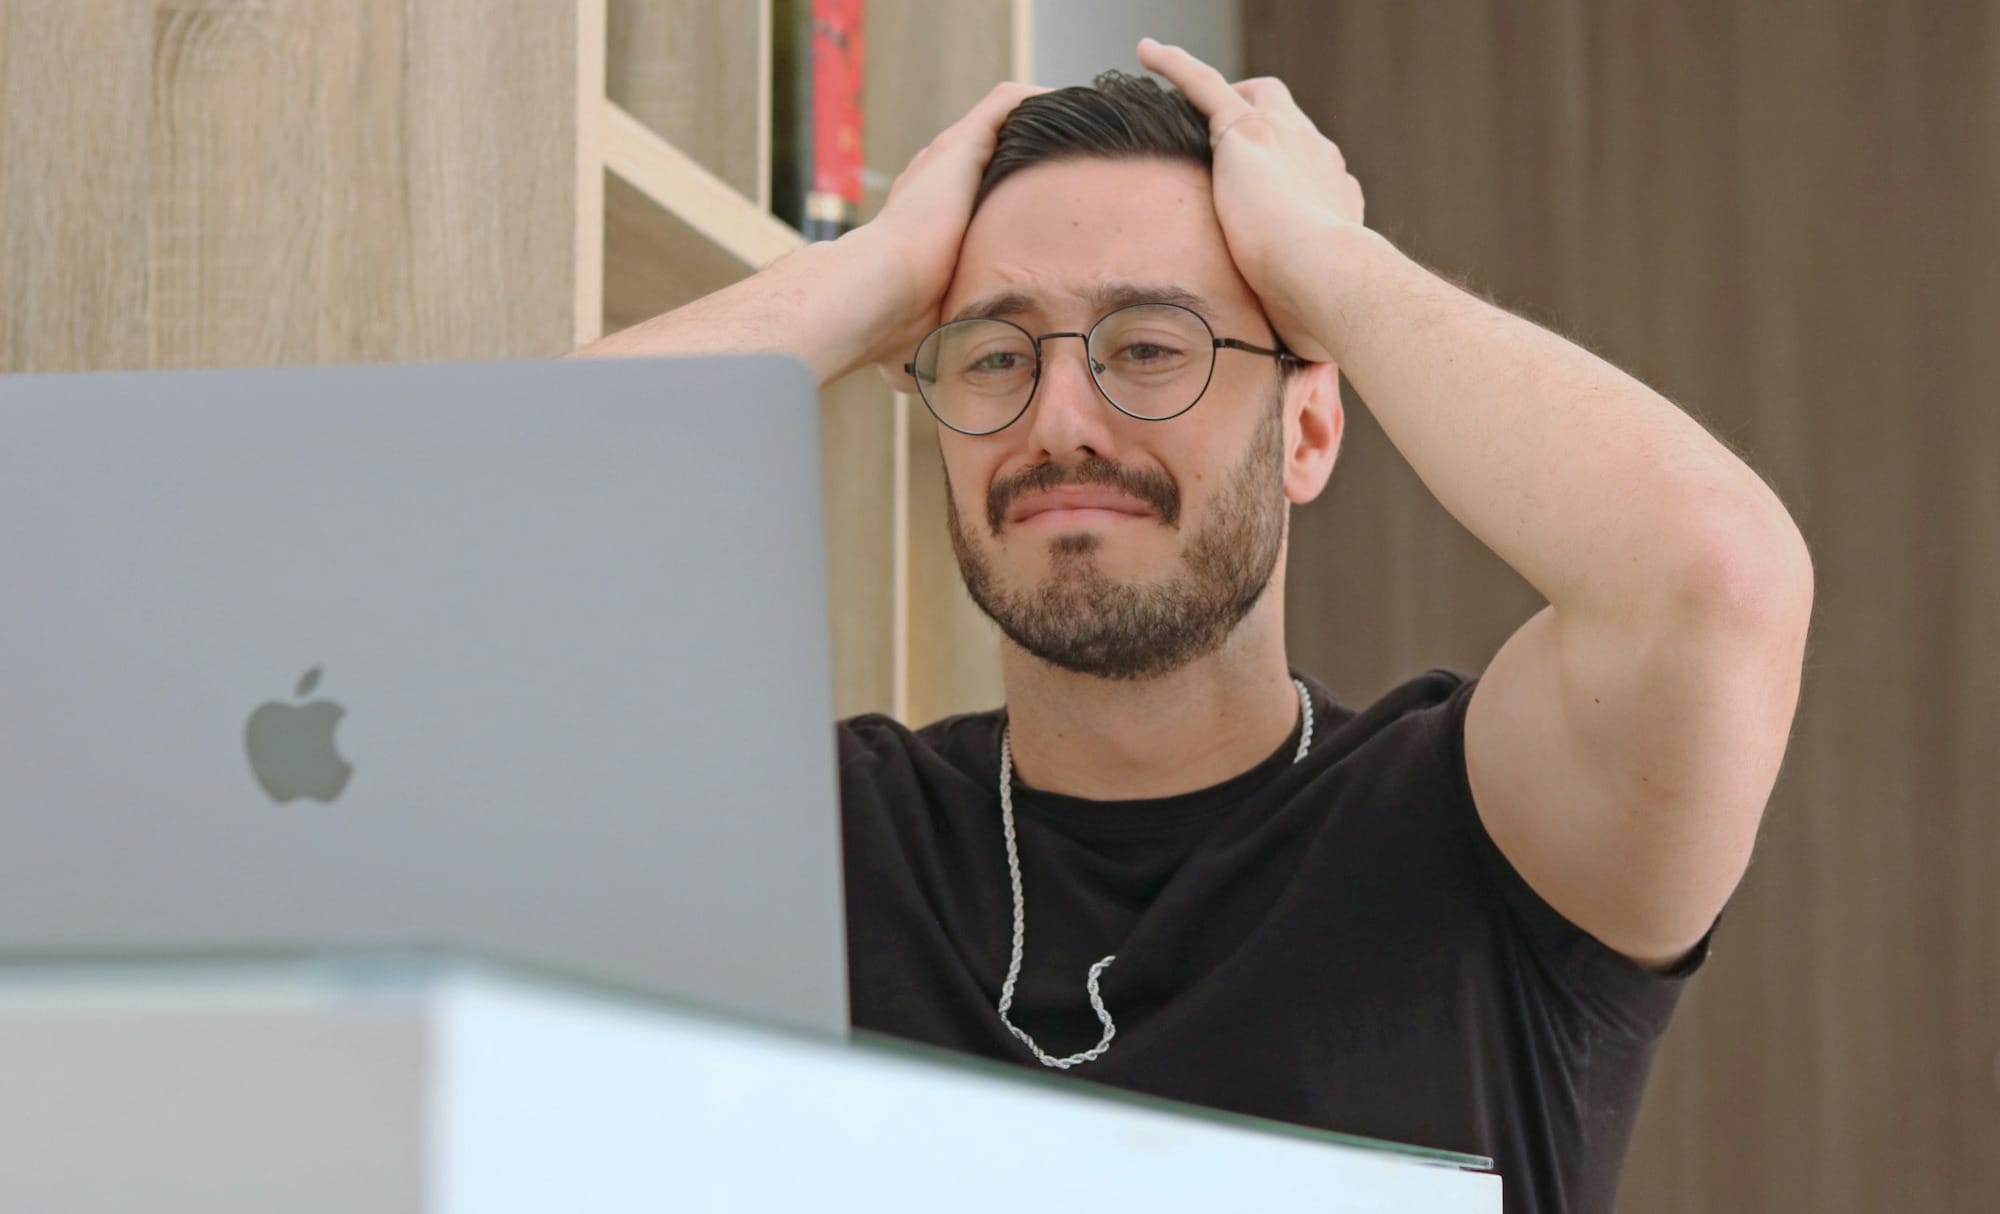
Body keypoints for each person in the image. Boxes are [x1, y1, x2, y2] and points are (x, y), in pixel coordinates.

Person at [573, 38, 1813, 1214]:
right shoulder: (819, 845)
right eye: (997, 356)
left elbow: (1713, 577)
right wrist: (873, 273)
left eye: (1150, 343)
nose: (1061, 415)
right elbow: (451, 565)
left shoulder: (1484, 836)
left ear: (1309, 429)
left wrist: (1329, 259)